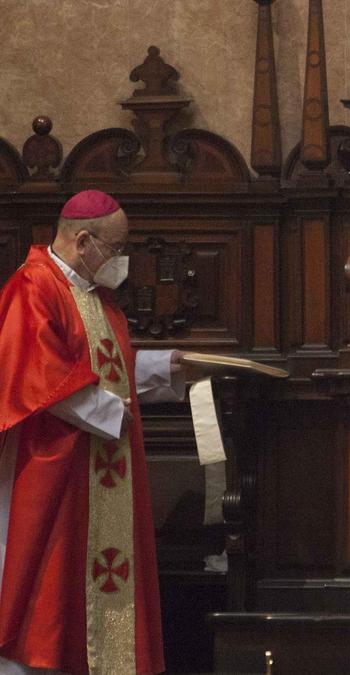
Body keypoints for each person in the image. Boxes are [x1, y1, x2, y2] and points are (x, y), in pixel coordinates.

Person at [0, 190, 186, 674]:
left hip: (92, 466)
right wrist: (109, 412)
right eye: (117, 249)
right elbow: (38, 376)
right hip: (52, 470)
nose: (121, 261)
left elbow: (108, 371)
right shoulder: (33, 287)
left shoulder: (90, 294)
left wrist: (170, 367)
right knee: (47, 589)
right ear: (84, 241)